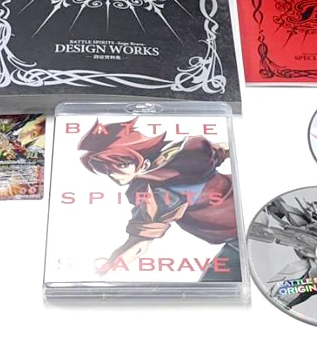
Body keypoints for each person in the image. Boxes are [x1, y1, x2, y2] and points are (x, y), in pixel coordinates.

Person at [78, 117, 240, 281]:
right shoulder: (154, 194)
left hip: (245, 220)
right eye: (107, 169)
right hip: (238, 235)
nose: (114, 175)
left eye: (121, 165)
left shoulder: (192, 153)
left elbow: (225, 149)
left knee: (212, 286)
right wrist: (103, 272)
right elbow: (136, 244)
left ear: (144, 163)